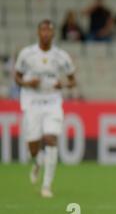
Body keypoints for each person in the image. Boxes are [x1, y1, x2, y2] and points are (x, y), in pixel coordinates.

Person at [14, 20, 77, 198]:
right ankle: (37, 161)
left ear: (53, 34)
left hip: (52, 102)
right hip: (32, 102)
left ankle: (46, 185)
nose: (46, 33)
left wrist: (62, 84)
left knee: (51, 139)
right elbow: (17, 76)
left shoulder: (61, 56)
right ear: (38, 32)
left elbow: (73, 80)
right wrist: (27, 83)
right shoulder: (27, 54)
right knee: (33, 147)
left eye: (49, 30)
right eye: (43, 30)